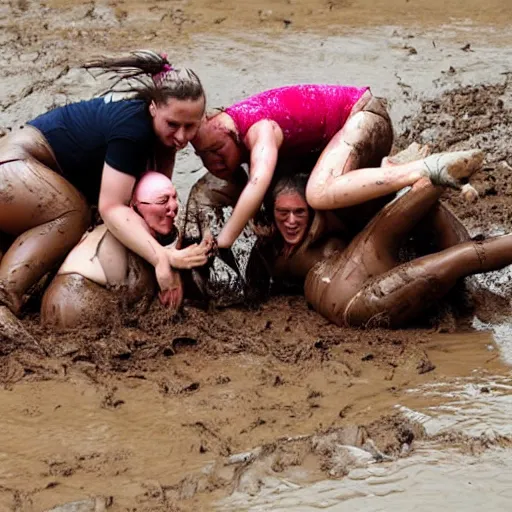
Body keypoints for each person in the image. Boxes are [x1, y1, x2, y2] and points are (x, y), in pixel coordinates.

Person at [0, 50, 212, 341]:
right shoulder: (133, 131)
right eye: (173, 124)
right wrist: (161, 258)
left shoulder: (160, 139)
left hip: (30, 175)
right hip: (15, 167)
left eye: (191, 126)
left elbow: (141, 208)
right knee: (73, 213)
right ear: (153, 108)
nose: (181, 136)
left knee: (86, 212)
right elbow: (112, 207)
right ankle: (5, 297)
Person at [191, 84, 483, 249]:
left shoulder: (258, 130)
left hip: (363, 117)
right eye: (202, 156)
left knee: (318, 192)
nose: (213, 162)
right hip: (342, 139)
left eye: (217, 150)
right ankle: (395, 168)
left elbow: (258, 181)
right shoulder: (233, 129)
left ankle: (425, 167)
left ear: (229, 132)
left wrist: (226, 238)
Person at [245, 151, 512, 328]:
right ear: (272, 214)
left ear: (312, 209)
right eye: (283, 214)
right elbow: (253, 286)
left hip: (356, 271)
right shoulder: (269, 247)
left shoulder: (320, 222)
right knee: (462, 258)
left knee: (458, 256)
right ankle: (431, 177)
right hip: (352, 300)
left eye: (299, 212)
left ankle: (432, 178)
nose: (291, 221)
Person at [40, 172, 210, 329]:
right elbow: (141, 293)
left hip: (55, 298)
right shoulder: (136, 233)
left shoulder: (115, 223)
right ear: (134, 206)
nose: (173, 207)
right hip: (78, 301)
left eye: (175, 197)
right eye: (162, 201)